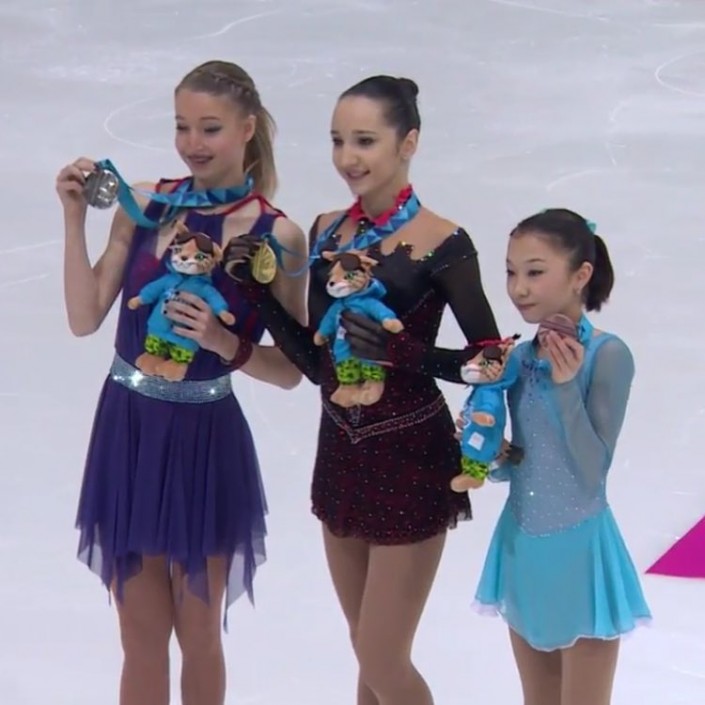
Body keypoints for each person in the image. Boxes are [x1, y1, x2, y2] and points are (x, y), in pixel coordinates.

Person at [223, 75, 500, 705]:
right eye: (337, 140)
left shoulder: (443, 243)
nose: (348, 157)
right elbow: (319, 365)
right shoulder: (327, 232)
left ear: (409, 143)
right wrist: (258, 294)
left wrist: (404, 353)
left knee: (382, 656)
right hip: (342, 456)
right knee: (365, 654)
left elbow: (489, 362)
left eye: (365, 141)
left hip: (411, 460)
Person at [55, 60, 307, 705]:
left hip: (204, 440)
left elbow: (293, 372)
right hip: (130, 432)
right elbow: (84, 318)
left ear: (247, 128)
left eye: (210, 128)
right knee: (140, 638)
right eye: (182, 126)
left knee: (198, 634)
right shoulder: (146, 205)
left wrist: (225, 344)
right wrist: (74, 219)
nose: (193, 143)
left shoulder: (277, 236)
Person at [472, 209, 651, 705]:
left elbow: (592, 472)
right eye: (511, 272)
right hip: (520, 547)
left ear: (580, 275)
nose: (519, 288)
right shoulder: (518, 358)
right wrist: (492, 453)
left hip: (581, 557)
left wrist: (566, 386)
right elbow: (523, 463)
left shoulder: (608, 356)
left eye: (535, 272)